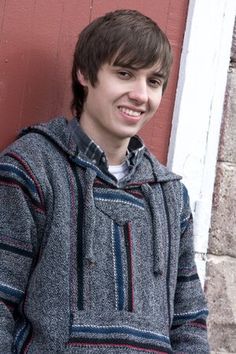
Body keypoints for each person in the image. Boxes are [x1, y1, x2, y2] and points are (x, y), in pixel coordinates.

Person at [0, 9, 209, 353]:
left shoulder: (171, 195)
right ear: (85, 73)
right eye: (125, 74)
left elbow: (189, 323)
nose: (141, 95)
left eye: (154, 81)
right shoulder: (30, 169)